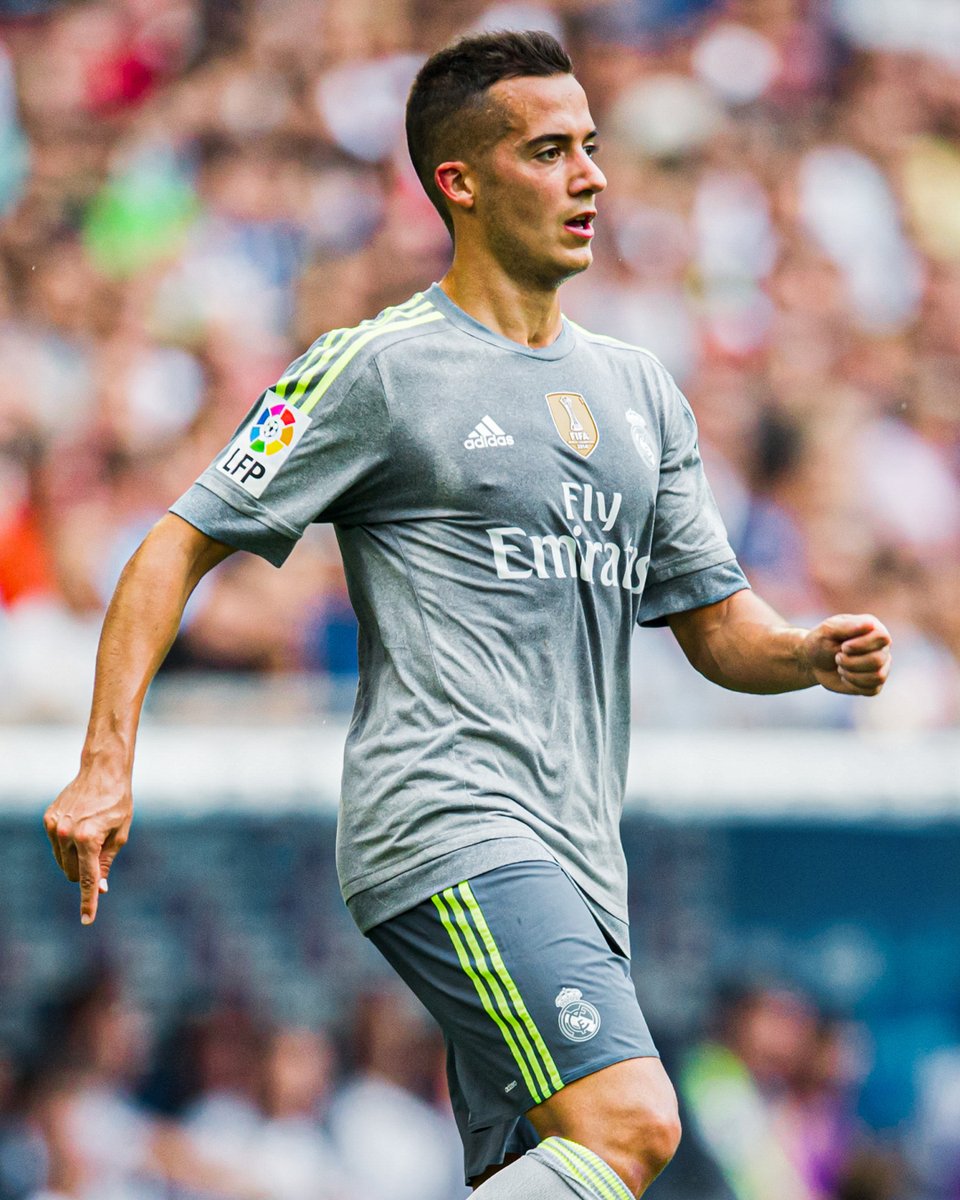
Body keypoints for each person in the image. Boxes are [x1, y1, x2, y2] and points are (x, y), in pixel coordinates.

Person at [44, 30, 892, 1200]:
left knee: (567, 1167)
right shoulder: (377, 367)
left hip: (582, 856)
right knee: (636, 1123)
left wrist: (804, 652)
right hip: (448, 816)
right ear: (462, 182)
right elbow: (174, 543)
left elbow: (717, 626)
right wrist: (104, 763)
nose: (591, 177)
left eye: (590, 147)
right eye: (549, 152)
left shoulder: (642, 392)